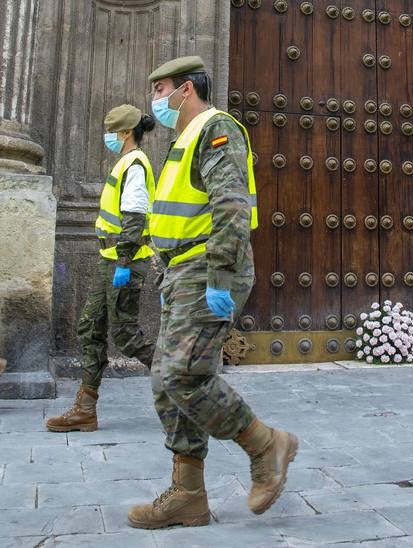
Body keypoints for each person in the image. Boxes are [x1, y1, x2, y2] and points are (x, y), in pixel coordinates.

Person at [127, 56, 298, 530]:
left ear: (186, 90)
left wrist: (220, 275)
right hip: (181, 270)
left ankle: (267, 446)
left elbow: (230, 204)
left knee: (183, 375)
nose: (155, 101)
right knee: (166, 381)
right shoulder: (182, 140)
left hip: (209, 266)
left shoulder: (216, 128)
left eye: (160, 90)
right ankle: (187, 494)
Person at [47, 105, 157, 433]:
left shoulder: (135, 164)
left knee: (125, 334)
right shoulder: (125, 163)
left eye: (111, 131)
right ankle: (84, 409)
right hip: (109, 260)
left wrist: (124, 262)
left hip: (124, 261)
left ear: (125, 133)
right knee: (90, 327)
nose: (107, 137)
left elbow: (135, 218)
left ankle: (184, 384)